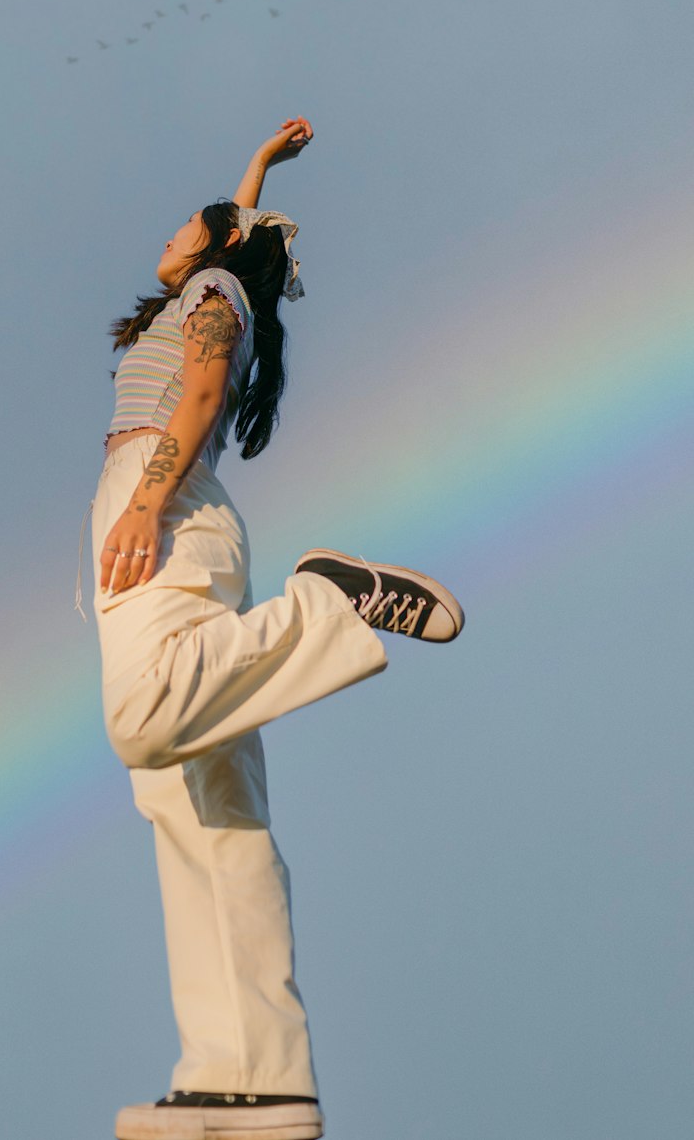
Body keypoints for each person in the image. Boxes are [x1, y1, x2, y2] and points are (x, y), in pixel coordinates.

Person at [87, 117, 464, 1140]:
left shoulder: (213, 295)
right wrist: (256, 169)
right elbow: (242, 227)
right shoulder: (218, 277)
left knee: (140, 716)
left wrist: (138, 502)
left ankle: (324, 606)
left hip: (158, 500)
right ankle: (249, 1075)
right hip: (183, 510)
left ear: (212, 251)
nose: (165, 239)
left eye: (183, 228)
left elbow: (202, 386)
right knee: (204, 814)